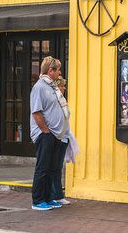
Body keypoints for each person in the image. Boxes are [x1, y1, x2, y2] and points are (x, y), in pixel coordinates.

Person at [30, 56, 68, 211]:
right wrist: (46, 131)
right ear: (50, 70)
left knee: (52, 168)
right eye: (58, 69)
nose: (59, 72)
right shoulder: (40, 87)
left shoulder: (52, 86)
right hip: (46, 134)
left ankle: (48, 198)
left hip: (55, 134)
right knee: (43, 167)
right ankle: (38, 201)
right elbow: (37, 112)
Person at [49, 76, 77, 206]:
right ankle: (54, 195)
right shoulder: (54, 101)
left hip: (64, 137)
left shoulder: (62, 100)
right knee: (54, 167)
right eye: (62, 86)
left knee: (58, 167)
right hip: (57, 136)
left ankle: (58, 195)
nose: (64, 88)